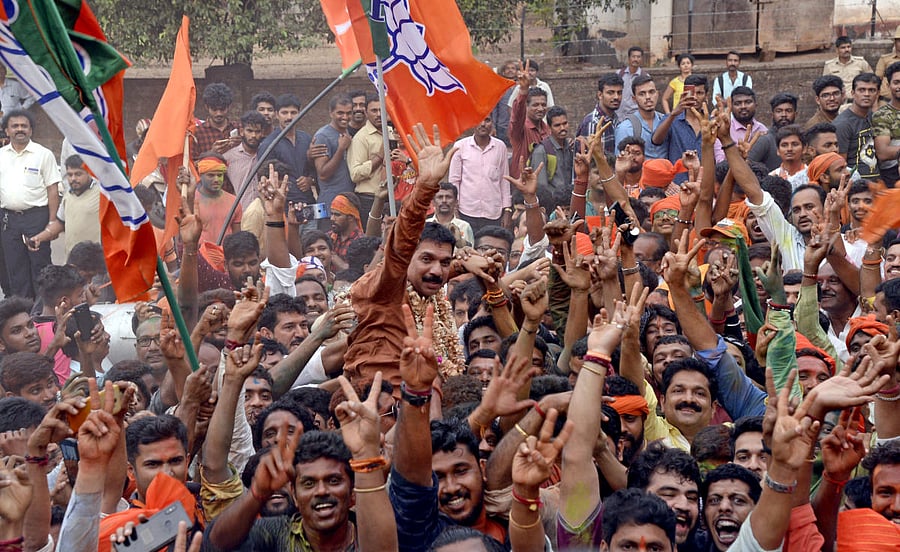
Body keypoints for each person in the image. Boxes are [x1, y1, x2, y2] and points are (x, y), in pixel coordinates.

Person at [344, 124, 469, 393]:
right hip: (383, 414)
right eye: (426, 259)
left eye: (444, 263)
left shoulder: (432, 295)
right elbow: (401, 246)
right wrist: (425, 188)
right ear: (407, 258)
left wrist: (466, 266)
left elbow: (443, 268)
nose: (437, 271)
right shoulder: (389, 285)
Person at [0, 109, 60, 299]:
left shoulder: (43, 154)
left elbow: (52, 189)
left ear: (31, 130)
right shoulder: (1, 155)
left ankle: (44, 312)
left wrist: (52, 223)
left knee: (40, 268)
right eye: (15, 126)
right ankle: (23, 314)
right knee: (15, 270)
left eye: (24, 126)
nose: (20, 129)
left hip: (37, 219)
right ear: (6, 131)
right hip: (8, 220)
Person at [29, 154, 100, 257]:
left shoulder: (101, 195)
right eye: (70, 175)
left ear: (88, 172)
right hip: (72, 259)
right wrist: (39, 238)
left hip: (96, 262)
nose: (73, 179)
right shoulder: (68, 195)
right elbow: (60, 223)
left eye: (78, 174)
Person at [448, 116, 510, 231]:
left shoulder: (500, 147)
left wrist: (507, 210)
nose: (483, 124)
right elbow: (454, 181)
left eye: (487, 120)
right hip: (466, 211)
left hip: (493, 212)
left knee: (490, 247)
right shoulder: (460, 146)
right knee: (467, 246)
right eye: (478, 120)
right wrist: (454, 209)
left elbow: (504, 180)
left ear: (492, 123)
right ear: (472, 123)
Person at [348, 94, 400, 227]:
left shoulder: (392, 132)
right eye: (374, 110)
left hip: (394, 197)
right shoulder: (361, 138)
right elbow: (355, 174)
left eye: (381, 110)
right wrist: (379, 157)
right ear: (366, 112)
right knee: (373, 240)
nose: (378, 114)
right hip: (370, 198)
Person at [259, 94, 316, 208]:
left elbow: (314, 167)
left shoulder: (306, 139)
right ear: (276, 115)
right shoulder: (269, 144)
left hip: (308, 203)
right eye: (284, 113)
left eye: (293, 113)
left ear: (299, 113)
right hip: (284, 206)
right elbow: (263, 177)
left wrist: (310, 179)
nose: (289, 117)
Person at [310, 94, 355, 230]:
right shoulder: (323, 136)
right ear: (331, 113)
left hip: (347, 204)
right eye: (340, 113)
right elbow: (323, 174)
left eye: (348, 113)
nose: (345, 117)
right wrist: (341, 149)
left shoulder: (347, 133)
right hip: (329, 207)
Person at [833, 72, 881, 180]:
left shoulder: (873, 117)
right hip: (856, 185)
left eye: (871, 90)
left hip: (876, 181)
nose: (867, 94)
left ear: (878, 94)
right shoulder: (843, 124)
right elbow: (840, 163)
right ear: (853, 93)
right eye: (861, 90)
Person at [508, 66, 550, 179]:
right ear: (526, 106)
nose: (541, 109)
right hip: (522, 186)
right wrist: (523, 91)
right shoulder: (520, 130)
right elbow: (517, 116)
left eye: (543, 104)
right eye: (535, 105)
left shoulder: (548, 130)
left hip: (543, 186)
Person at [531, 105, 575, 210]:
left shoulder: (569, 147)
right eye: (557, 125)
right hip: (552, 206)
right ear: (549, 128)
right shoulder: (541, 150)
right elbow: (541, 187)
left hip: (569, 204)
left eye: (565, 124)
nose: (562, 128)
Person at [615, 74, 667, 160]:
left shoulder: (666, 122)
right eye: (642, 94)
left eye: (651, 92)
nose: (648, 97)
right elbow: (621, 164)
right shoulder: (625, 128)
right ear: (634, 99)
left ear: (657, 94)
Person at [194, 152, 242, 244]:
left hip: (226, 255)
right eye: (211, 175)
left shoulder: (234, 202)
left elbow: (237, 238)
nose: (216, 180)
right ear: (200, 175)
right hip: (200, 256)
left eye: (219, 175)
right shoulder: (191, 202)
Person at [225, 111, 267, 211]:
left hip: (265, 214)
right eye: (250, 131)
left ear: (262, 133)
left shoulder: (267, 155)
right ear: (242, 131)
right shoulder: (229, 157)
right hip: (241, 214)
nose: (253, 135)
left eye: (257, 132)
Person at [713, 86, 767, 162]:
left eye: (748, 102)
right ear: (731, 107)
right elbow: (720, 163)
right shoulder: (723, 131)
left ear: (756, 105)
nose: (743, 106)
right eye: (738, 103)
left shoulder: (763, 130)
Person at [749, 92, 799, 172]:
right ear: (772, 115)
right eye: (779, 111)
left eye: (788, 111)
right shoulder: (765, 140)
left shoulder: (801, 139)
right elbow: (747, 167)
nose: (784, 115)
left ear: (796, 114)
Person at [576, 73, 623, 156]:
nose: (616, 97)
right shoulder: (592, 123)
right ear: (600, 95)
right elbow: (589, 159)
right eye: (610, 93)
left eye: (619, 93)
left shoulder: (617, 120)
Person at [872, 61, 900, 186]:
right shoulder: (881, 115)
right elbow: (882, 152)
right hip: (893, 174)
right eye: (896, 82)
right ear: (888, 85)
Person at [194, 82, 240, 158]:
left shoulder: (239, 127)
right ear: (207, 107)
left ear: (229, 107)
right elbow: (192, 164)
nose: (219, 114)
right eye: (214, 109)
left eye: (222, 109)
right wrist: (212, 153)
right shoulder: (198, 132)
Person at [426, 182, 474, 247]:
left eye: (448, 197)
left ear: (456, 202)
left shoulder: (465, 227)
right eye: (440, 197)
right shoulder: (425, 225)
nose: (444, 201)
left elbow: (471, 253)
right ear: (433, 202)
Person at [617, 46, 651, 118]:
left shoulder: (644, 76)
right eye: (633, 56)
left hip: (635, 116)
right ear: (629, 58)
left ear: (641, 59)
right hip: (618, 114)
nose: (636, 59)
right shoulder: (619, 74)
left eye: (638, 57)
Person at [875, 26, 900, 99]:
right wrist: (875, 104)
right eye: (899, 41)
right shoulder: (885, 59)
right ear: (895, 42)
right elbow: (876, 81)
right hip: (886, 101)